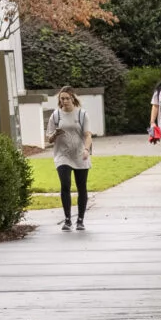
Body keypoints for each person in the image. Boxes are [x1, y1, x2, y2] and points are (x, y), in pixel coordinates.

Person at [45, 88, 95, 230]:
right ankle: (67, 220)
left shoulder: (82, 114)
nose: (65, 101)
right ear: (59, 100)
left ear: (73, 98)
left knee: (81, 187)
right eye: (62, 99)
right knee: (65, 184)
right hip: (62, 155)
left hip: (80, 154)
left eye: (67, 98)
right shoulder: (55, 116)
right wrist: (55, 134)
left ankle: (80, 220)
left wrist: (86, 149)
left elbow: (88, 135)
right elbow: (49, 138)